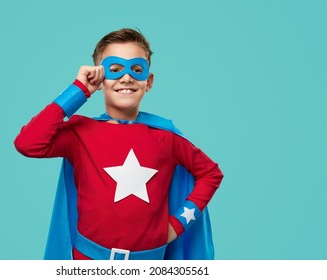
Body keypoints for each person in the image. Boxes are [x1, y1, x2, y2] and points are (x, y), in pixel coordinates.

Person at [14, 28, 223, 260]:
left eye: (136, 69)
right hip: (88, 260)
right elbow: (28, 143)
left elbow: (211, 174)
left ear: (149, 81)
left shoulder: (167, 136)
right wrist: (78, 90)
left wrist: (179, 223)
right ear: (100, 78)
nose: (126, 77)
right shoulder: (79, 133)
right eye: (114, 70)